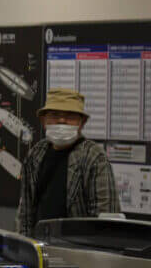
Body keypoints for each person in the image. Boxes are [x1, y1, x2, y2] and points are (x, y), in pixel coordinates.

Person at [17, 87, 121, 234]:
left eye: (70, 115)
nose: (62, 120)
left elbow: (105, 220)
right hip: (40, 247)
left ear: (82, 122)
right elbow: (25, 214)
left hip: (79, 251)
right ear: (43, 120)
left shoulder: (93, 157)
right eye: (54, 115)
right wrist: (25, 247)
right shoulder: (35, 155)